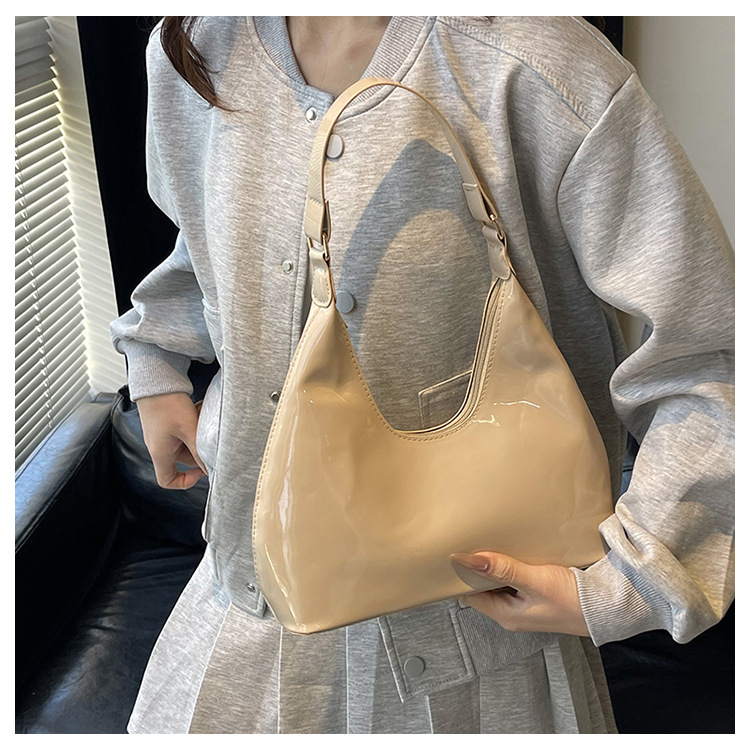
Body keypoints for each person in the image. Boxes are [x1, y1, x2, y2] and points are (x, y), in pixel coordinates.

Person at [109, 16, 734, 734]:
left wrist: (639, 578)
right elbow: (207, 240)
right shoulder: (194, 51)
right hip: (248, 603)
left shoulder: (535, 62)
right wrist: (156, 362)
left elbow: (708, 353)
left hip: (480, 633)